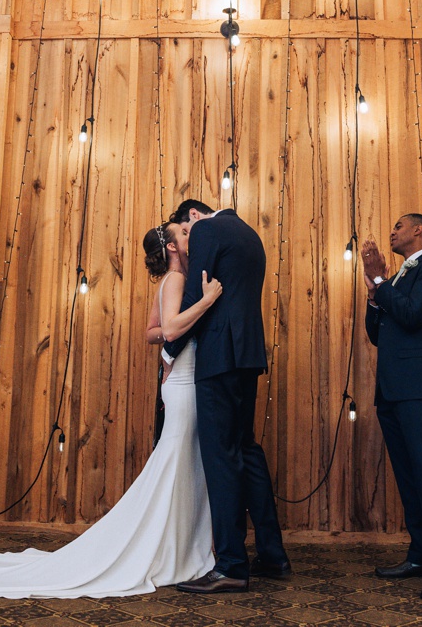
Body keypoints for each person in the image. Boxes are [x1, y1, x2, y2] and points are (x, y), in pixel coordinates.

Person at [0, 221, 222, 597]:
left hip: (180, 384)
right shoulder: (177, 281)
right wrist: (207, 303)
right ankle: (172, 551)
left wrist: (166, 349)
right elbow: (172, 329)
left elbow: (153, 331)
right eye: (184, 232)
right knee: (179, 467)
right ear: (174, 248)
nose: (190, 235)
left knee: (182, 468)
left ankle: (178, 548)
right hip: (184, 387)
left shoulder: (171, 282)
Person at [166, 199, 290, 594]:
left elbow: (196, 296)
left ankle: (232, 565)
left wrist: (170, 348)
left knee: (221, 459)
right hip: (248, 353)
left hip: (219, 355)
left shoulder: (206, 229)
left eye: (185, 232)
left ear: (193, 217)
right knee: (246, 451)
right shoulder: (249, 233)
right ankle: (272, 555)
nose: (187, 242)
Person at [361, 214, 422, 600]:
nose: (392, 230)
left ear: (419, 230)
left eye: (398, 225)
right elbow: (377, 333)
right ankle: (419, 554)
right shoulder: (398, 277)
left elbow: (414, 314)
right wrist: (374, 293)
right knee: (406, 473)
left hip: (420, 386)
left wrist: (382, 281)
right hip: (391, 387)